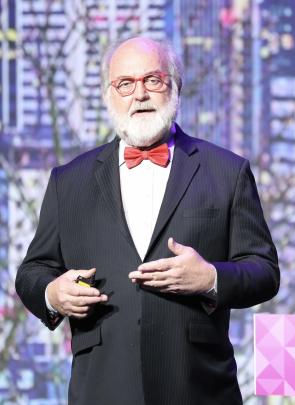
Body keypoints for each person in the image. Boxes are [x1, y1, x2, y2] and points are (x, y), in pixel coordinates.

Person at [15, 36, 280, 405]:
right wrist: (53, 294)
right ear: (108, 95)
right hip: (101, 390)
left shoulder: (227, 172)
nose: (139, 94)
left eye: (152, 80)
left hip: (198, 389)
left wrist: (210, 278)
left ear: (175, 87)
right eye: (125, 83)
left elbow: (264, 271)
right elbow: (33, 271)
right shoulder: (68, 181)